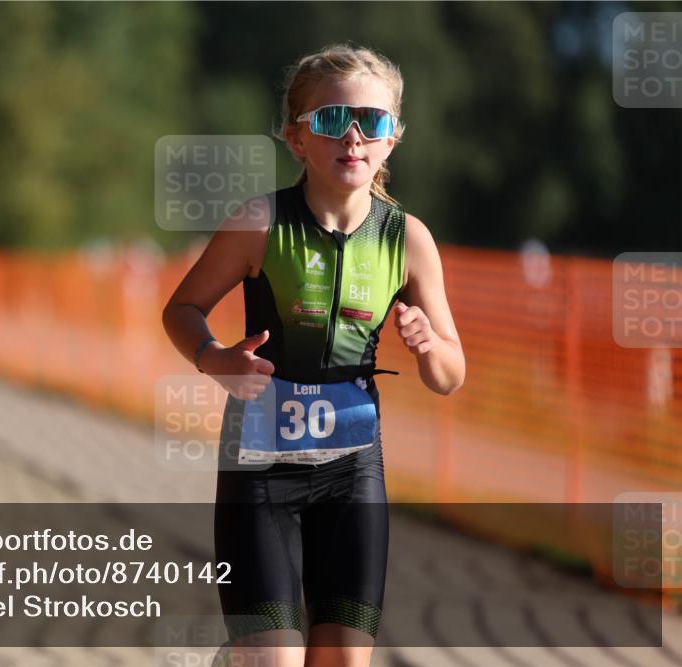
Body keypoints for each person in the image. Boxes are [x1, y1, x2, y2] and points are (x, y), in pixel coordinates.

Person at [162, 44, 465, 667]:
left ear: (391, 139)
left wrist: (430, 346)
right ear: (297, 138)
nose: (353, 136)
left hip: (353, 473)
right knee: (275, 660)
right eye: (332, 120)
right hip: (259, 470)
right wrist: (214, 358)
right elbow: (181, 309)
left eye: (372, 122)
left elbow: (450, 376)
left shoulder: (407, 240)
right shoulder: (259, 222)